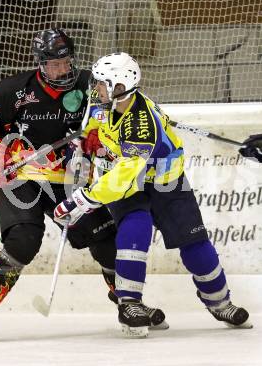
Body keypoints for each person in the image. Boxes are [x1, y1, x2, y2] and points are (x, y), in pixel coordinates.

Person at [0, 30, 165, 341]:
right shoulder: (11, 91)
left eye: (67, 62)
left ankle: (129, 306)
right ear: (40, 64)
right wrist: (1, 156)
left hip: (71, 179)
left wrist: (95, 141)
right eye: (54, 64)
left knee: (106, 243)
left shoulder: (90, 83)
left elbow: (116, 114)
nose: (63, 70)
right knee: (23, 240)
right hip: (25, 178)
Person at [54, 52, 252, 337]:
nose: (94, 88)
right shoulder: (107, 104)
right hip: (130, 186)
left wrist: (83, 200)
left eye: (100, 83)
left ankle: (219, 302)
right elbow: (94, 126)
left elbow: (125, 175)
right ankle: (130, 303)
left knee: (196, 246)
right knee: (136, 230)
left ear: (118, 87)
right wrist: (85, 139)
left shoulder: (140, 124)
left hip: (164, 182)